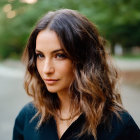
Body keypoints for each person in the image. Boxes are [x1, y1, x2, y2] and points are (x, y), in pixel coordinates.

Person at [12, 9, 140, 140]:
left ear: (84, 59)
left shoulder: (119, 126)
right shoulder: (27, 118)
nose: (46, 69)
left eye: (60, 55)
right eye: (40, 55)